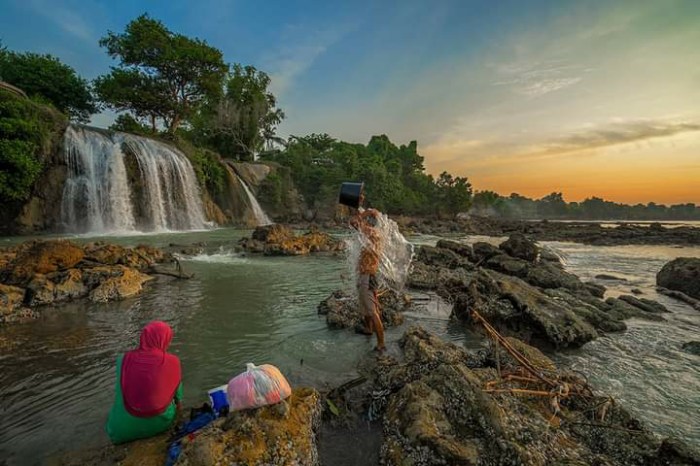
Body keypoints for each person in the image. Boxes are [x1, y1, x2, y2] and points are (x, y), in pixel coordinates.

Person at [106, 321, 183, 444]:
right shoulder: (173, 362)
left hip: (120, 431)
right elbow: (178, 400)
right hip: (160, 426)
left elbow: (120, 394)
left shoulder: (122, 360)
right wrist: (179, 421)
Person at [350, 196, 385, 352]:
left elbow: (354, 223)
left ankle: (381, 343)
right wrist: (361, 207)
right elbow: (358, 223)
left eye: (366, 220)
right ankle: (369, 329)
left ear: (369, 222)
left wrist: (362, 210)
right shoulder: (374, 233)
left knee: (372, 310)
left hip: (368, 276)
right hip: (366, 275)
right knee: (366, 307)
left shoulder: (371, 233)